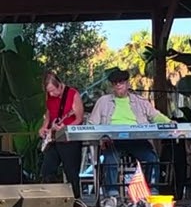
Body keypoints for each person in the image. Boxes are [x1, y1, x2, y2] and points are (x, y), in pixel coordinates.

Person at [86, 69, 169, 197]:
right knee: (110, 159)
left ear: (127, 84)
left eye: (121, 82)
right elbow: (91, 125)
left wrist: (170, 122)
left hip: (137, 140)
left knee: (151, 158)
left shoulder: (140, 101)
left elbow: (155, 115)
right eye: (115, 83)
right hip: (113, 141)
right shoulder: (103, 101)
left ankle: (151, 189)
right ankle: (111, 193)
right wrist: (100, 138)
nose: (118, 85)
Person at [37, 71, 85, 191]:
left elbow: (79, 118)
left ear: (59, 84)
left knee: (71, 171)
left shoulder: (72, 94)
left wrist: (65, 128)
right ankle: (50, 197)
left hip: (69, 139)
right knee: (47, 170)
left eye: (53, 90)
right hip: (54, 138)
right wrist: (44, 127)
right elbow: (49, 113)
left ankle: (75, 199)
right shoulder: (49, 96)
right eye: (49, 92)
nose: (52, 94)